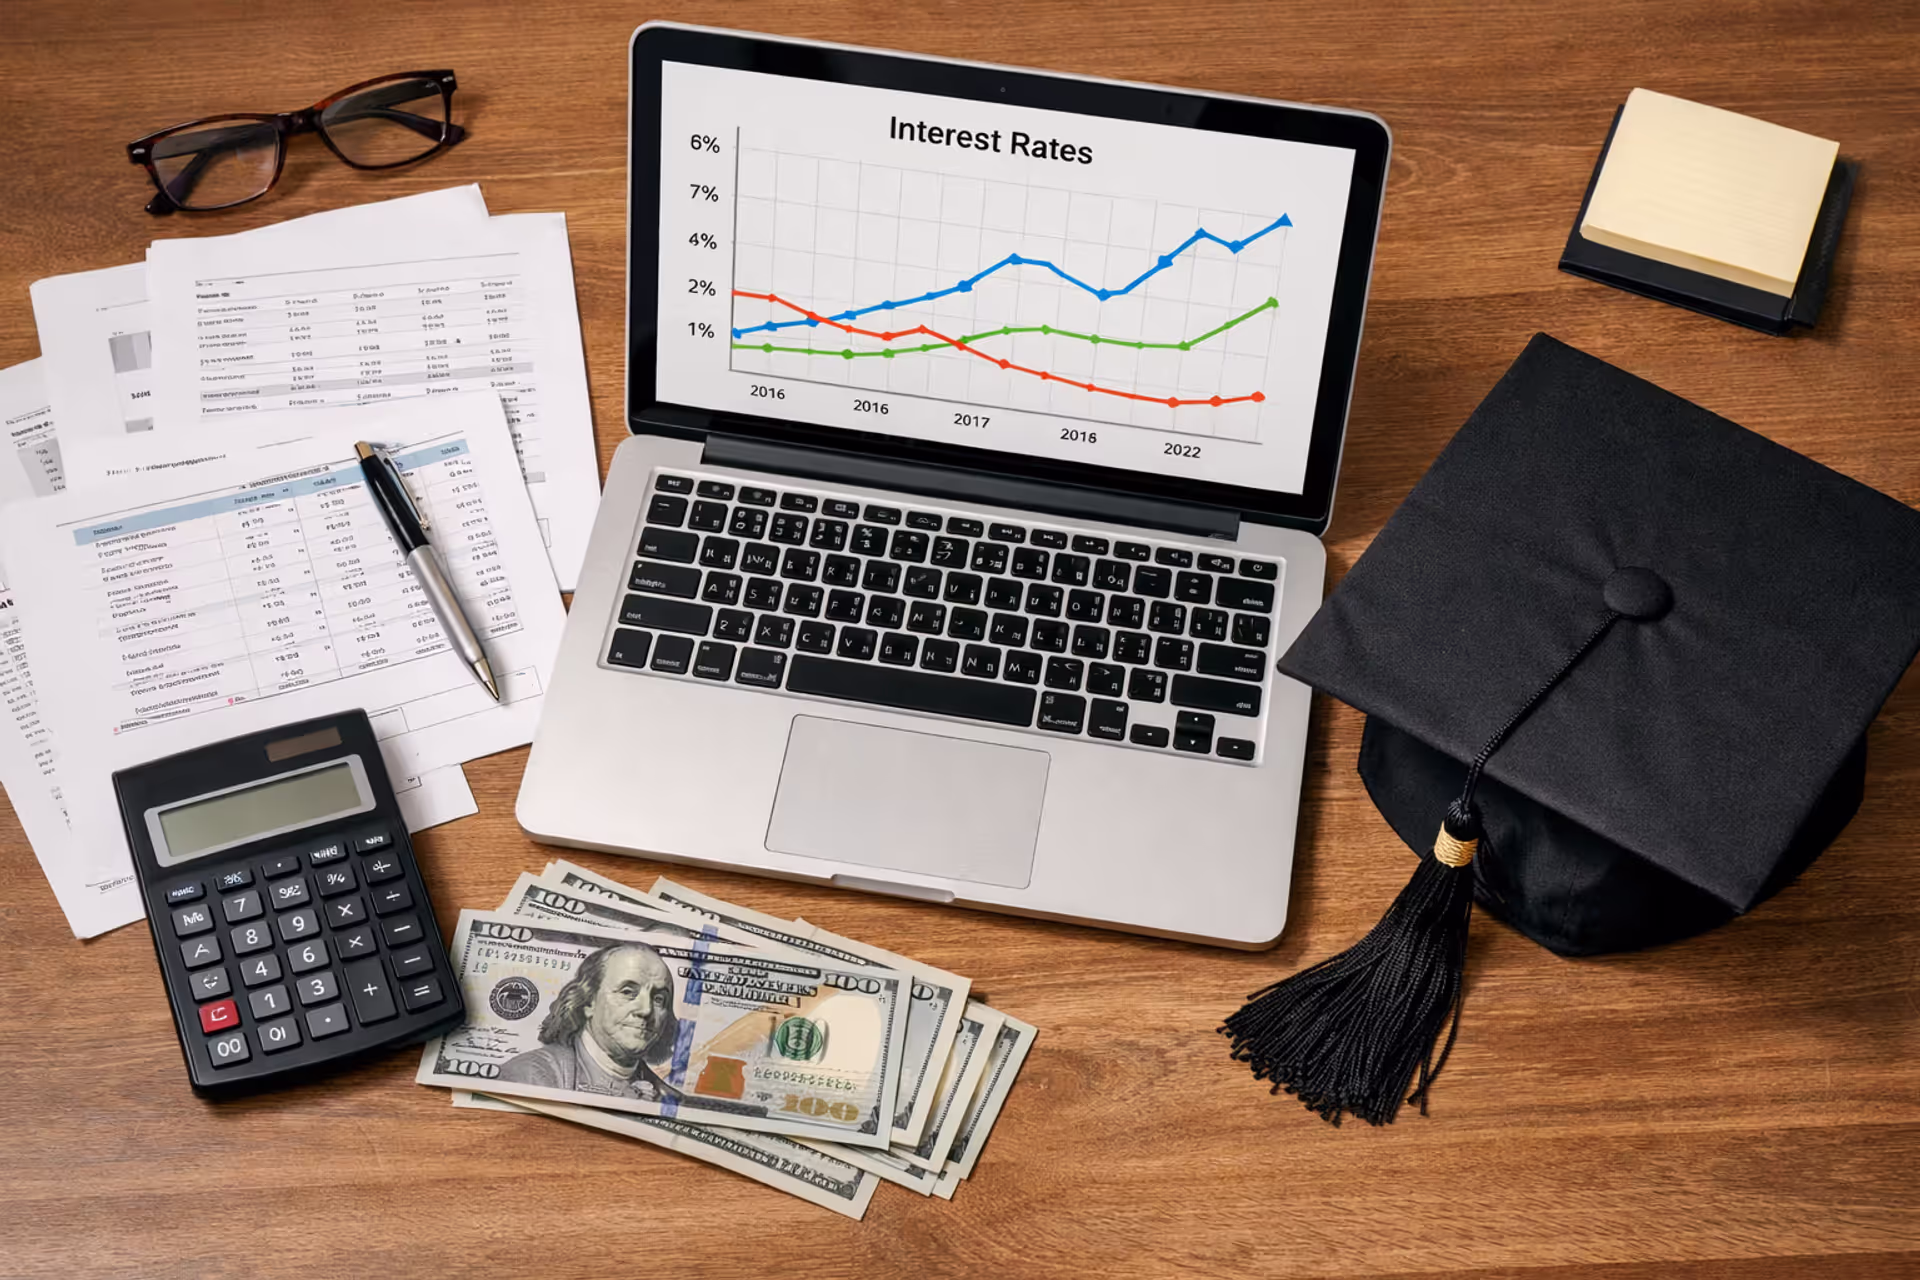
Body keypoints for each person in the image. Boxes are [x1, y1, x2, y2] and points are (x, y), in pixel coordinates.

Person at [498, 941, 681, 1100]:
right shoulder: (530, 1075)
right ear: (589, 1002)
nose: (646, 1010)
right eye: (627, 992)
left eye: (658, 999)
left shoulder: (671, 1099)